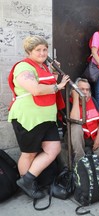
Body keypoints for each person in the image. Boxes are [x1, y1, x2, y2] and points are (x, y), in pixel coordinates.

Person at [7, 35, 70, 199]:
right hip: (29, 118)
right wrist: (58, 86)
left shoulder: (44, 67)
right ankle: (29, 185)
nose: (43, 53)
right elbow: (35, 89)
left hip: (47, 118)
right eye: (38, 50)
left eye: (45, 49)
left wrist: (55, 73)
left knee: (53, 149)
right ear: (29, 51)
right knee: (29, 153)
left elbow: (47, 85)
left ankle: (27, 180)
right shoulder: (23, 67)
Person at [70, 78, 99, 162]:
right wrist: (76, 99)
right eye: (82, 89)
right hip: (79, 138)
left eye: (87, 90)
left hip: (93, 135)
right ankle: (80, 159)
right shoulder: (70, 101)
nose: (85, 92)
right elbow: (75, 120)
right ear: (75, 90)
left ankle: (92, 157)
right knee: (76, 126)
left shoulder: (92, 100)